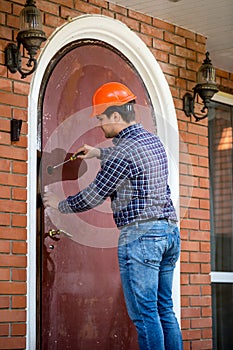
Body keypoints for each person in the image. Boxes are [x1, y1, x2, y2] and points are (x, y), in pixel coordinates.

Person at [44, 82, 183, 350]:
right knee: (164, 310)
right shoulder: (152, 141)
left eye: (101, 118)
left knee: (145, 316)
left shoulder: (122, 151)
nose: (99, 125)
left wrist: (60, 204)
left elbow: (94, 195)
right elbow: (132, 159)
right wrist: (99, 153)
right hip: (169, 234)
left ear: (116, 116)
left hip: (142, 237)